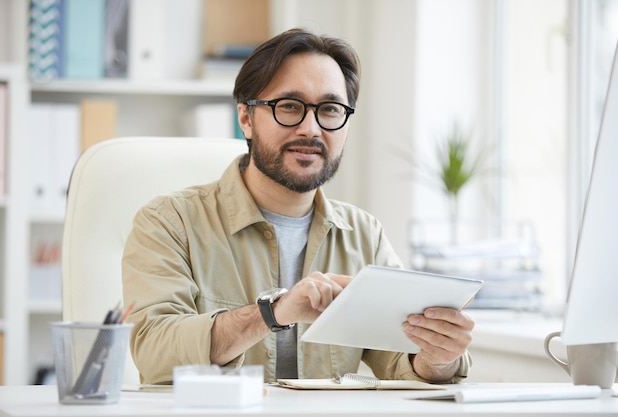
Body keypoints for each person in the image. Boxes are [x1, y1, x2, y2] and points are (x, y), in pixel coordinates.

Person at [121, 27, 474, 385]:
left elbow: (402, 363)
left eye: (330, 109)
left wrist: (437, 356)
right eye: (289, 106)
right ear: (246, 118)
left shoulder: (364, 234)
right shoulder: (169, 222)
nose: (311, 128)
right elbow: (154, 353)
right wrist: (271, 314)